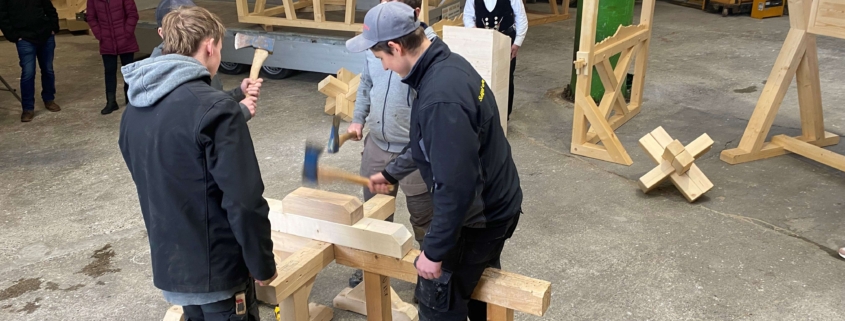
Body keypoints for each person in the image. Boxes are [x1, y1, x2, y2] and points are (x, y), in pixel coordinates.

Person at [346, 3, 522, 320]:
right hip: (496, 200)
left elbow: (455, 186)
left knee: (436, 302)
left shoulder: (441, 97)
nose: (383, 67)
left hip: (481, 217)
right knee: (475, 286)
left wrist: (434, 251)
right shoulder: (446, 66)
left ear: (396, 47)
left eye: (381, 57)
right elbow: (429, 143)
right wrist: (390, 172)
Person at [118, 6, 274, 321]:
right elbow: (243, 200)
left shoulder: (133, 111)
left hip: (172, 265)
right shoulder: (217, 111)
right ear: (209, 46)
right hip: (219, 270)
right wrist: (261, 264)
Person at [345, 0, 438, 289]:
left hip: (413, 152)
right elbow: (365, 86)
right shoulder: (376, 45)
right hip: (378, 144)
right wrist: (358, 119)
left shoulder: (427, 55)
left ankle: (428, 268)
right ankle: (373, 265)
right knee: (374, 212)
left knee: (423, 216)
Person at [153, 0, 261, 121]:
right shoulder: (159, 77)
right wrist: (239, 114)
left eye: (195, 23)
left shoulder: (201, 59)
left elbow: (211, 100)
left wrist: (239, 93)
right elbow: (197, 127)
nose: (189, 32)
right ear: (161, 33)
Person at [462, 0, 528, 120]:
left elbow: (521, 17)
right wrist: (476, 34)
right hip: (482, 42)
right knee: (479, 79)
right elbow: (468, 16)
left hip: (506, 41)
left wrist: (517, 43)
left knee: (506, 78)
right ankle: (481, 117)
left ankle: (503, 116)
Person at [0, 0, 61, 122]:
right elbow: (2, 16)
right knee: (28, 73)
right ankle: (28, 108)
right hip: (25, 39)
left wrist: (53, 27)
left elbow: (49, 9)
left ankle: (49, 99)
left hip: (45, 36)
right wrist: (14, 36)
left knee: (48, 70)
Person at [86, 0, 140, 115]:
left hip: (126, 41)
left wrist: (126, 33)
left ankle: (130, 101)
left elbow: (133, 14)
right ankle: (111, 102)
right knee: (109, 71)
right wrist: (100, 35)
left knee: (129, 72)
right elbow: (91, 17)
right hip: (107, 42)